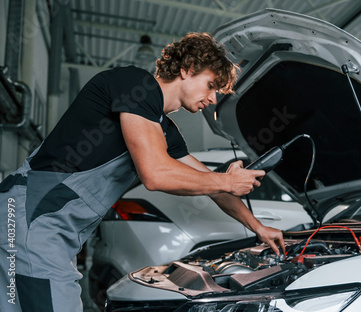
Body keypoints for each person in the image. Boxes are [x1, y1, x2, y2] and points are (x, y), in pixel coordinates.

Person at [0, 32, 286, 312]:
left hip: (43, 225)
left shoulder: (164, 132)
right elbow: (156, 174)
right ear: (187, 69)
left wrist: (257, 226)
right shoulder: (135, 84)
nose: (213, 99)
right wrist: (227, 180)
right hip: (33, 216)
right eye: (211, 85)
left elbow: (214, 189)